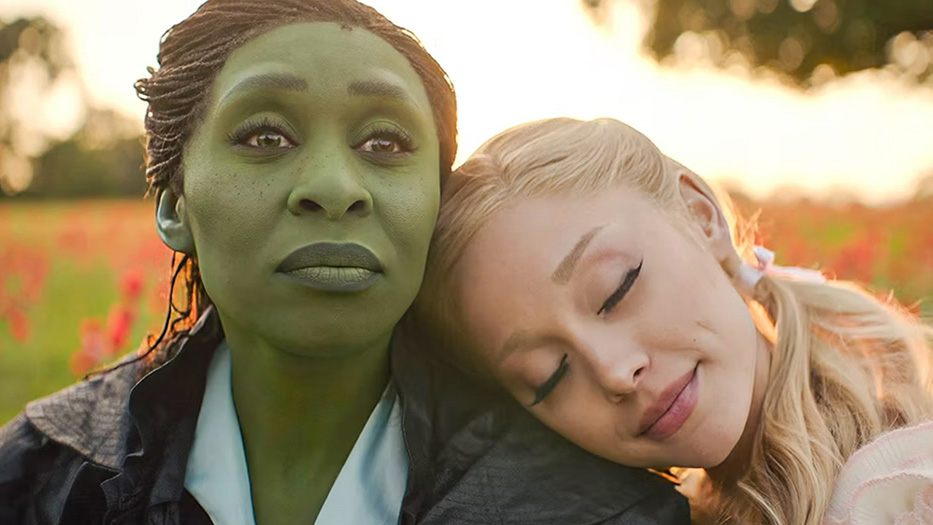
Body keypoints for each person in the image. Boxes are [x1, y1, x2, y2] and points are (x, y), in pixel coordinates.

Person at [0, 4, 690, 524]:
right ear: (175, 205)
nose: (333, 187)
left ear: (437, 205)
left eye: (385, 144)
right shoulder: (36, 475)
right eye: (265, 136)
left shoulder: (600, 507)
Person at [415, 117, 933, 524]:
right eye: (550, 376)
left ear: (700, 216)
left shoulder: (903, 487)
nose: (615, 372)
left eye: (617, 289)